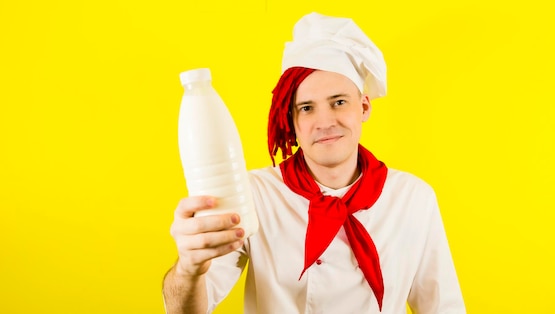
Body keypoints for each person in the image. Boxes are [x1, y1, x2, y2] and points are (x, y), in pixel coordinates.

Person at [163, 12, 465, 314]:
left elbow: (444, 308)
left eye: (338, 102)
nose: (324, 122)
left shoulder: (413, 198)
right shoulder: (251, 195)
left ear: (363, 107)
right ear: (291, 122)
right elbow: (186, 310)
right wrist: (189, 268)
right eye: (306, 108)